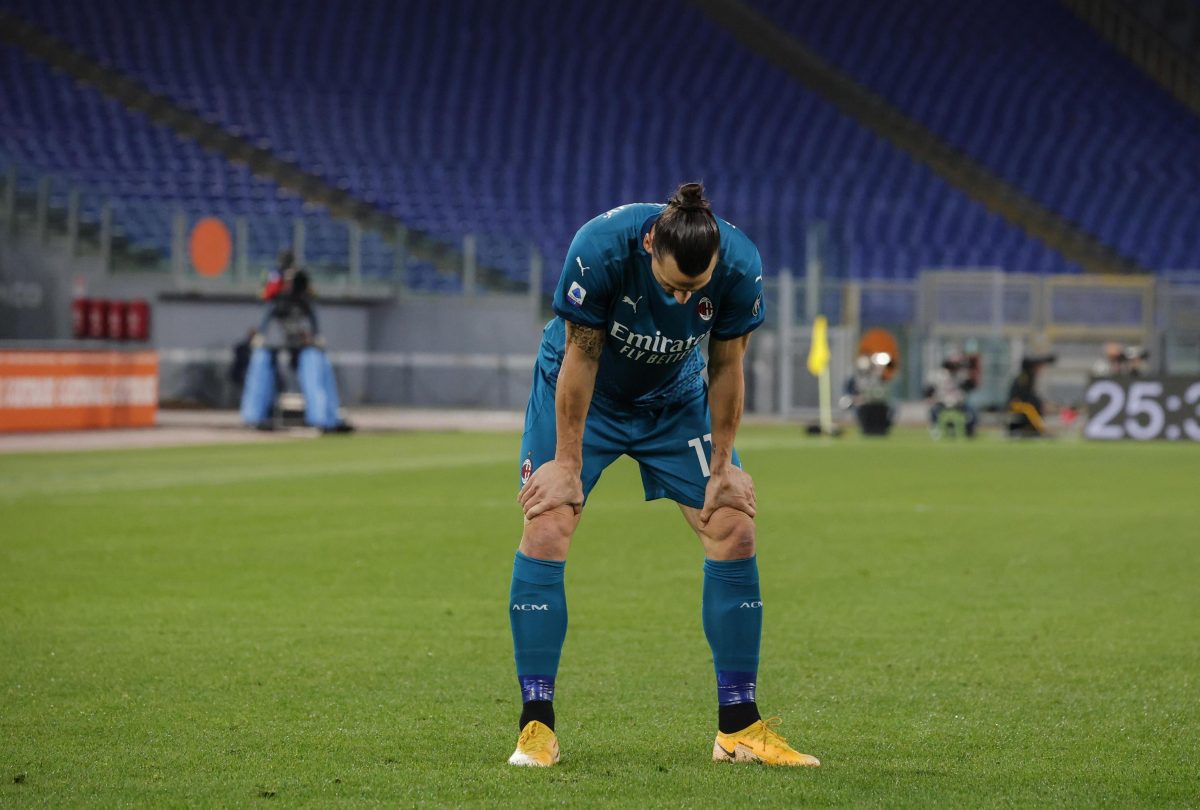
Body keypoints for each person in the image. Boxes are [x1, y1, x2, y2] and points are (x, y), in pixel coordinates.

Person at [507, 183, 820, 768]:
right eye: (672, 286)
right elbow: (582, 355)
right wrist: (567, 464)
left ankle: (739, 728)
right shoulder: (600, 249)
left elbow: (726, 365)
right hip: (584, 395)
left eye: (694, 290)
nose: (682, 299)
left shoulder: (741, 265)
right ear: (650, 243)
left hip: (674, 399)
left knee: (733, 526)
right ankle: (536, 727)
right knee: (547, 522)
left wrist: (723, 467)